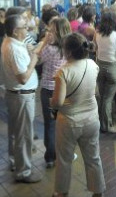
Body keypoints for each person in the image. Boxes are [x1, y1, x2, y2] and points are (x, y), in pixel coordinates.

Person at [51, 33, 105, 197]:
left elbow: (58, 103)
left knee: (64, 159)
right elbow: (93, 91)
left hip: (69, 122)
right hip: (91, 120)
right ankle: (98, 191)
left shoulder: (63, 71)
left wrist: (50, 101)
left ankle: (62, 192)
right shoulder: (92, 64)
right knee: (93, 157)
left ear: (67, 51)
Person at [1, 14, 43, 183]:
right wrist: (33, 60)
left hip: (16, 96)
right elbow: (23, 78)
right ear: (14, 30)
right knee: (24, 136)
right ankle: (23, 172)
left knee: (15, 132)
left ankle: (15, 161)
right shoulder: (14, 48)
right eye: (24, 27)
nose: (27, 29)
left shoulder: (13, 43)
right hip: (21, 96)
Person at [34, 17, 70, 168]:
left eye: (51, 29)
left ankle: (50, 157)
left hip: (49, 90)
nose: (48, 32)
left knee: (50, 124)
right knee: (64, 123)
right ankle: (64, 153)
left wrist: (42, 43)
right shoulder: (69, 48)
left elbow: (36, 60)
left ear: (57, 31)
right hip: (65, 89)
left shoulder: (48, 48)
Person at [94, 10, 116, 133]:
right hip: (113, 68)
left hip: (100, 67)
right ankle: (107, 126)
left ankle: (102, 122)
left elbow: (95, 48)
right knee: (108, 99)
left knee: (102, 97)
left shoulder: (97, 33)